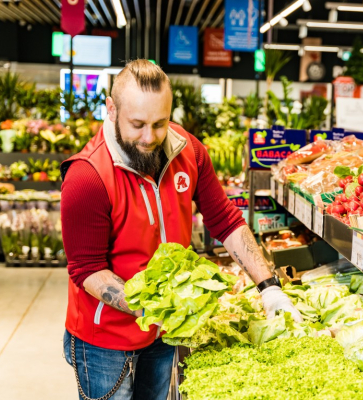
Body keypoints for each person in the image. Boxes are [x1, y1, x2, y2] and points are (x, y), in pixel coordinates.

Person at [60, 59, 302, 400]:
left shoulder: (188, 151)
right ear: (111, 110)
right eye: (138, 124)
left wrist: (268, 287)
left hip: (165, 333)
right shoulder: (86, 177)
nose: (149, 138)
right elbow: (87, 269)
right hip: (105, 342)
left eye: (160, 123)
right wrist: (162, 306)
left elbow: (226, 220)